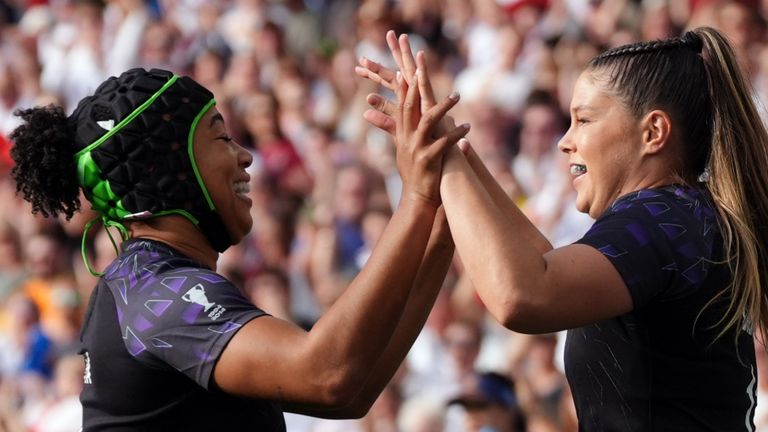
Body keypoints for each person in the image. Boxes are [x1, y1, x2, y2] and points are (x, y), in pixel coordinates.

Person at [9, 67, 468, 430]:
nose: (244, 155)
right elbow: (327, 375)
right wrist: (417, 197)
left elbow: (355, 388)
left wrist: (439, 221)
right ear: (171, 168)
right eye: (221, 137)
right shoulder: (156, 293)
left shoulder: (151, 280)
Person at [357, 27, 768, 430]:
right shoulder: (684, 214)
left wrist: (438, 158)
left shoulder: (656, 218)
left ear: (653, 133)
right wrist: (449, 147)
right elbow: (545, 265)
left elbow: (521, 295)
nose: (564, 142)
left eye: (583, 120)